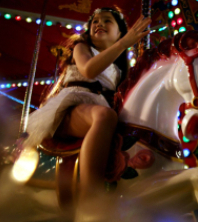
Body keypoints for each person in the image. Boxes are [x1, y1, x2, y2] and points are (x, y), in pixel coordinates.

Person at [22, 6, 151, 220]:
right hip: (70, 108)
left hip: (95, 108)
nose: (99, 24)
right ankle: (92, 196)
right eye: (95, 21)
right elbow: (89, 70)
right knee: (104, 116)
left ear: (119, 31)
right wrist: (125, 43)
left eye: (107, 21)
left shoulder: (119, 70)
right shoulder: (81, 47)